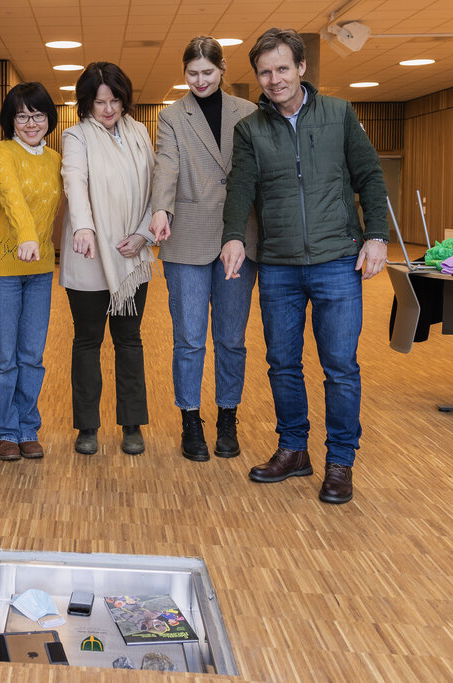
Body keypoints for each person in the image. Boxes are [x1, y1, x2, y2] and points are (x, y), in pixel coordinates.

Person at [221, 28, 388, 504]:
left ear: (301, 68)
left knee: (339, 366)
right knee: (282, 363)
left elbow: (370, 176)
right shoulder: (250, 129)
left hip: (338, 261)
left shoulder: (339, 114)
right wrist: (233, 236)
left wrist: (376, 234)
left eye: (281, 68)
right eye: (264, 71)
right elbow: (240, 189)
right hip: (279, 266)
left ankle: (340, 461)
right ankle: (294, 449)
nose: (274, 79)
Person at [150, 36, 258, 462]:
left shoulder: (248, 112)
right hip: (188, 236)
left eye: (207, 73)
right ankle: (190, 419)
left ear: (223, 69)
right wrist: (161, 209)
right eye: (192, 74)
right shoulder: (172, 116)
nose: (199, 81)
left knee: (231, 338)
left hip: (239, 236)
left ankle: (227, 416)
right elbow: (166, 165)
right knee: (190, 338)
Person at [60, 62, 156, 457]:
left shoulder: (140, 133)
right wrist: (84, 228)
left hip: (132, 256)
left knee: (129, 340)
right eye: (100, 102)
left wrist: (144, 234)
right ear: (86, 102)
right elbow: (75, 181)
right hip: (90, 255)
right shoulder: (76, 136)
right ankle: (87, 427)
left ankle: (131, 424)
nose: (109, 108)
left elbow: (157, 186)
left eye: (115, 99)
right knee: (87, 341)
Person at [0, 83, 61, 461]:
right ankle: (4, 431)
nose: (30, 123)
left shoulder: (55, 159)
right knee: (3, 355)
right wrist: (27, 236)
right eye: (22, 115)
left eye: (38, 115)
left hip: (39, 268)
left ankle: (27, 427)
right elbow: (11, 198)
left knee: (32, 355)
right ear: (10, 119)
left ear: (48, 119)